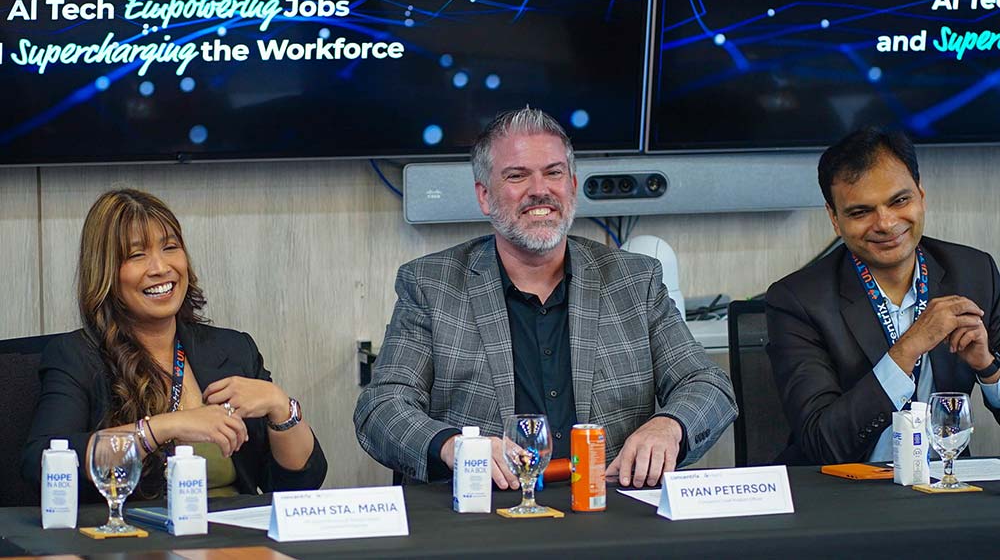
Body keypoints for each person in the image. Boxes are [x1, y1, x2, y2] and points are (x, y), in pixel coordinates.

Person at [354, 107, 736, 488]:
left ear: (572, 185)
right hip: (484, 507)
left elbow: (708, 384)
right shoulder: (430, 285)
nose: (540, 189)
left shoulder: (635, 280)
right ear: (484, 196)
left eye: (554, 173)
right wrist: (453, 446)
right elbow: (381, 408)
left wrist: (669, 425)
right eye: (517, 175)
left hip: (609, 503)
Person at [22, 189, 327, 501]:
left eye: (170, 247)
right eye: (137, 255)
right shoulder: (77, 355)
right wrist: (164, 428)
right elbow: (40, 463)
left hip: (233, 528)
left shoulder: (233, 349)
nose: (160, 267)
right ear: (106, 271)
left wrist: (280, 406)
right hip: (136, 529)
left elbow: (300, 485)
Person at [766, 127, 1000, 465]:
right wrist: (908, 348)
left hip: (945, 483)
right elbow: (822, 443)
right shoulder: (798, 300)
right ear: (835, 218)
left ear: (921, 195)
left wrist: (988, 368)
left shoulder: (974, 272)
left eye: (899, 201)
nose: (886, 224)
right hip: (846, 488)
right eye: (861, 212)